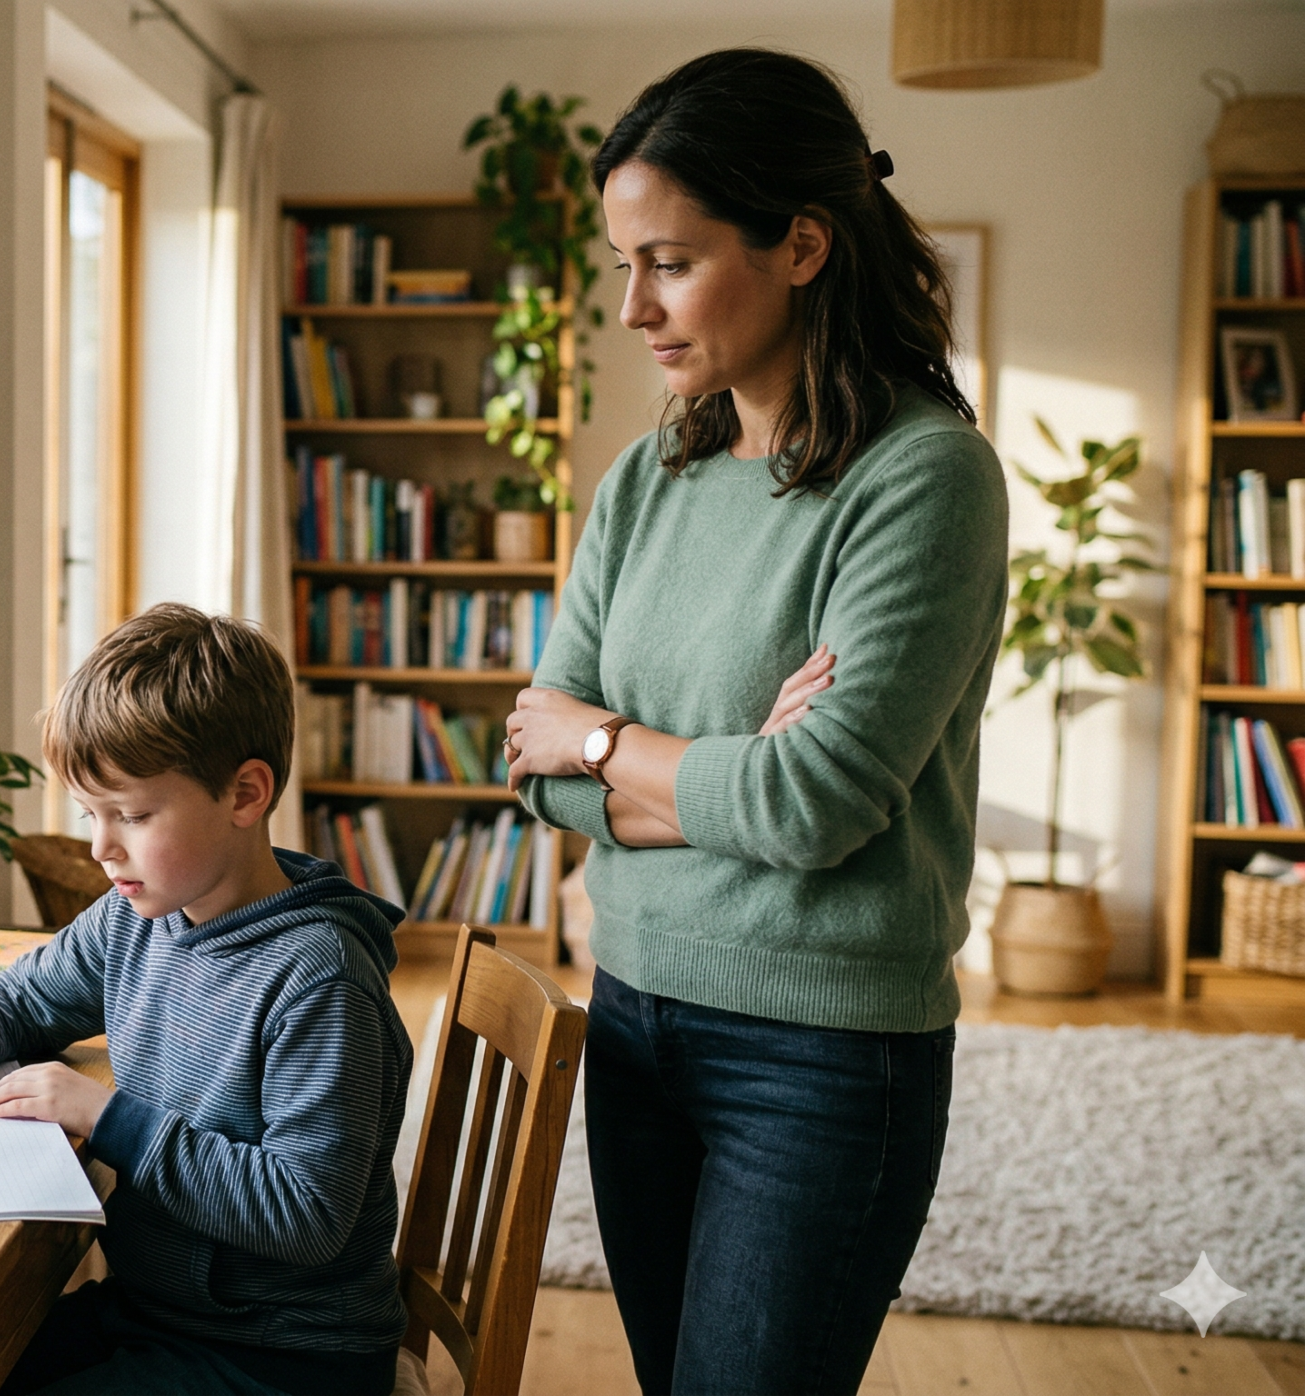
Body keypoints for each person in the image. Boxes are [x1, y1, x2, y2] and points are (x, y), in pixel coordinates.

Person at [502, 49, 1006, 1395]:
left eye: (669, 263)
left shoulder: (924, 478)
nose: (633, 308)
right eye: (626, 265)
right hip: (633, 1013)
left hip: (822, 1056)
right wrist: (729, 779)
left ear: (801, 244)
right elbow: (530, 761)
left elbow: (815, 801)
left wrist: (607, 743)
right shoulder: (646, 479)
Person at [0, 603, 414, 1396]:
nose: (101, 847)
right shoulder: (140, 916)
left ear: (246, 794)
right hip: (159, 1312)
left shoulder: (320, 979)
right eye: (90, 814)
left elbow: (305, 1214)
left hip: (285, 1357)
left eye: (130, 815)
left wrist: (107, 1119)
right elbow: (25, 994)